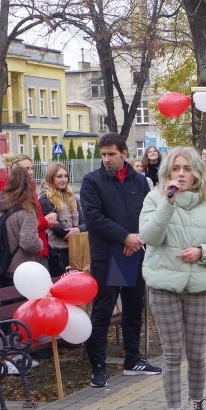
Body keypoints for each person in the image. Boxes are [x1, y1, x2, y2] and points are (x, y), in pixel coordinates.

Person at [139, 146, 206, 410]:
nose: (181, 173)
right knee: (173, 353)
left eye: (187, 168)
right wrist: (168, 202)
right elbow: (149, 238)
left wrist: (202, 252)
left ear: (197, 173)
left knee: (197, 353)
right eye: (176, 168)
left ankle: (197, 408)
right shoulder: (155, 198)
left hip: (198, 285)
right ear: (168, 172)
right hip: (164, 284)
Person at [81, 133, 160, 388]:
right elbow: (94, 219)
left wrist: (137, 238)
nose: (106, 159)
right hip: (107, 255)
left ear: (124, 154)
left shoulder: (139, 181)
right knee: (103, 310)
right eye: (103, 154)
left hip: (133, 252)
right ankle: (98, 367)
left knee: (134, 307)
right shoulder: (92, 181)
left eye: (111, 154)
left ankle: (133, 360)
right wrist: (124, 237)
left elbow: (149, 214)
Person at [0, 161, 43, 288]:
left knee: (7, 306)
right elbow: (29, 243)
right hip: (23, 270)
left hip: (2, 267)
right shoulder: (27, 211)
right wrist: (40, 243)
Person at [39, 162, 85, 278]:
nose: (64, 179)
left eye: (66, 176)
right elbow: (57, 229)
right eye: (59, 176)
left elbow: (85, 221)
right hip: (59, 252)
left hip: (78, 248)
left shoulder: (72, 196)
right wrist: (76, 232)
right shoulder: (45, 198)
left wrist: (78, 229)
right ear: (51, 178)